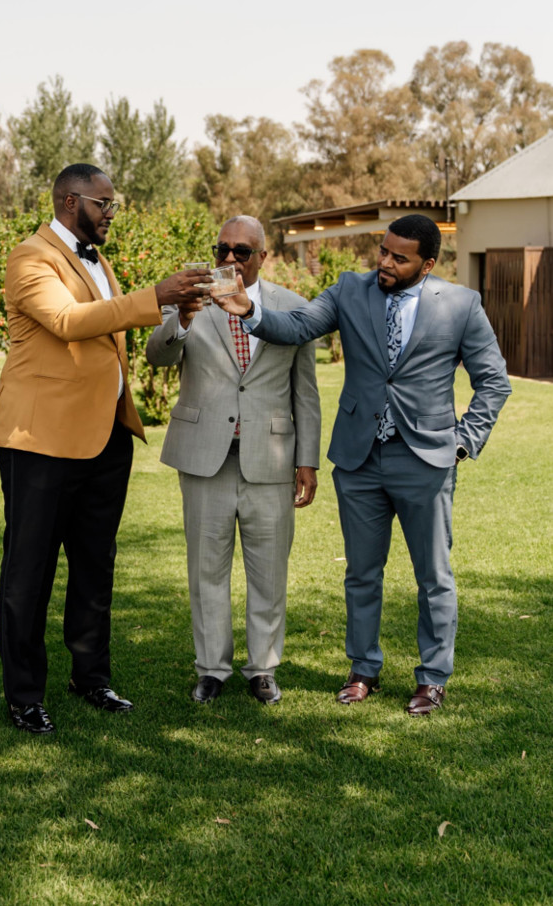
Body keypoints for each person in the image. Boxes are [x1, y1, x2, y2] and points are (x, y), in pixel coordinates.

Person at [215, 214, 511, 715]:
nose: (386, 263)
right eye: (383, 251)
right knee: (361, 574)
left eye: (400, 258)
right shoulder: (350, 290)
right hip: (359, 459)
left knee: (434, 577)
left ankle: (432, 678)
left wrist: (462, 444)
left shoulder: (461, 305)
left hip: (427, 461)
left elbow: (494, 382)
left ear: (427, 264)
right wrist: (250, 310)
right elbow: (298, 326)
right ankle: (363, 669)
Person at [0, 162, 210, 734]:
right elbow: (67, 321)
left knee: (95, 565)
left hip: (106, 436)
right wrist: (153, 296)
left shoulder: (95, 258)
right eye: (103, 204)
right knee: (29, 572)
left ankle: (91, 677)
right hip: (41, 441)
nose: (112, 213)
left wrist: (172, 308)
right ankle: (24, 695)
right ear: (71, 201)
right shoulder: (29, 257)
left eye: (113, 204)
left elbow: (106, 327)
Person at [146, 215, 321, 705]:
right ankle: (211, 669)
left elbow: (305, 392)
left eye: (241, 251)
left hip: (272, 457)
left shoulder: (294, 308)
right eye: (222, 248)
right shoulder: (192, 300)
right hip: (205, 458)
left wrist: (307, 460)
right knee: (207, 571)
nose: (229, 258)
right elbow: (157, 356)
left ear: (262, 256)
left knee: (269, 571)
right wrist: (182, 318)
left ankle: (262, 668)